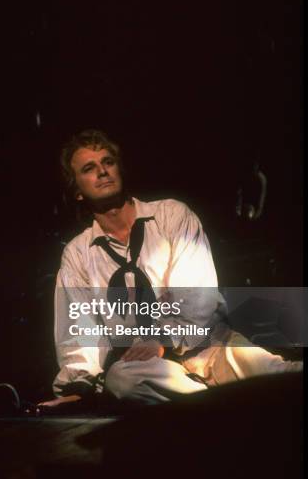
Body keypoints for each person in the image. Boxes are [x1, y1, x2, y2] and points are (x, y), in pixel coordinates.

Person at [38, 129, 302, 411]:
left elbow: (196, 296)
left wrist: (163, 337)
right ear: (77, 191)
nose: (103, 172)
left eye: (108, 162)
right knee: (122, 381)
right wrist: (79, 385)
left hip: (209, 345)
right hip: (148, 367)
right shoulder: (78, 254)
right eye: (90, 168)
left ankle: (220, 400)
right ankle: (218, 404)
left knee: (280, 377)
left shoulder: (172, 215)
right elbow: (80, 330)